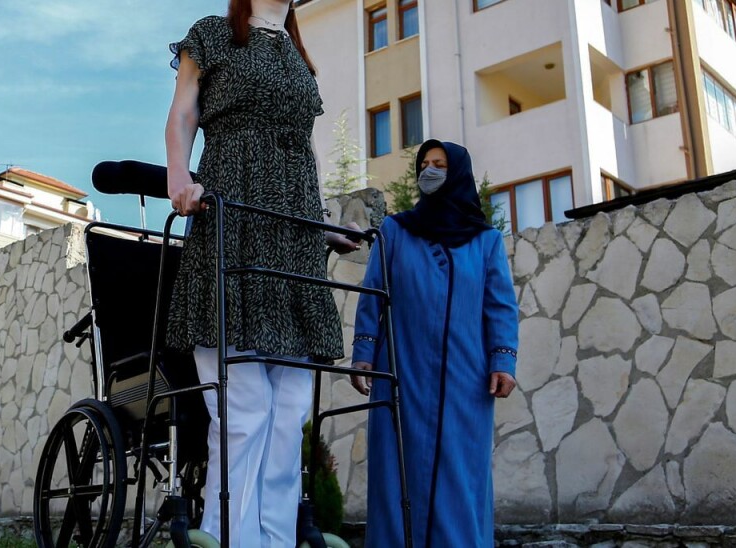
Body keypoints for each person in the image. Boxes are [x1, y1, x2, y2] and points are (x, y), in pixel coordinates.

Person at [165, 1, 359, 545]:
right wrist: (179, 177)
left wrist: (321, 224)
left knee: (290, 411)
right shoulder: (212, 34)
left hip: (292, 238)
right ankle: (227, 537)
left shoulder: (298, 57)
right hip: (232, 214)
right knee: (245, 408)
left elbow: (308, 150)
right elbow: (182, 114)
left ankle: (275, 540)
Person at [350, 140, 519, 547]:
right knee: (397, 474)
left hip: (466, 380)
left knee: (461, 475)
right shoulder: (395, 230)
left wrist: (503, 359)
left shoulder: (486, 241)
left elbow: (500, 306)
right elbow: (374, 292)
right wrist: (363, 355)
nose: (430, 171)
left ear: (458, 173)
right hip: (401, 374)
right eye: (424, 164)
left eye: (440, 165)